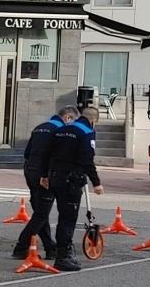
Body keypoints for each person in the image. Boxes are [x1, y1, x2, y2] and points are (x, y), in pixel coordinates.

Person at [41, 104, 103, 272]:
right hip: (71, 181)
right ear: (93, 121)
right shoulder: (86, 132)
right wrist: (96, 183)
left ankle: (63, 252)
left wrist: (44, 175)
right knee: (67, 219)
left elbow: (47, 154)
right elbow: (87, 161)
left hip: (55, 177)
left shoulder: (61, 129)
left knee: (62, 215)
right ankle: (63, 256)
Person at [13, 105, 78, 260]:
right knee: (41, 213)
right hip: (45, 174)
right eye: (73, 122)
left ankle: (50, 247)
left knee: (40, 212)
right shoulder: (60, 132)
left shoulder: (39, 128)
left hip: (30, 170)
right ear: (68, 117)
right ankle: (21, 247)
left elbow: (27, 153)